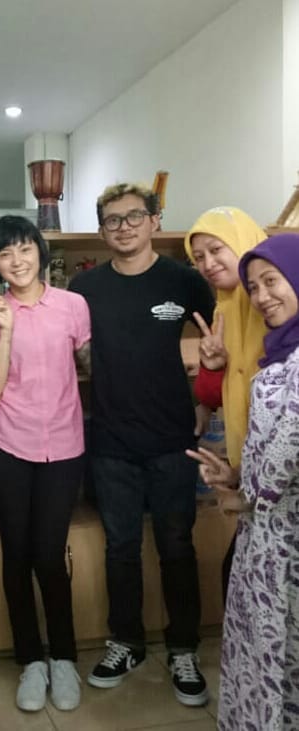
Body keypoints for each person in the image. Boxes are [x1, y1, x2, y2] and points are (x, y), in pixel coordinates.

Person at [69, 182, 214, 707]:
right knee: (120, 549)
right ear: (102, 230)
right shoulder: (85, 288)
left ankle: (183, 648)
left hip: (174, 439)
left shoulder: (185, 280)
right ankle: (125, 642)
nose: (124, 227)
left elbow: (221, 338)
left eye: (134, 216)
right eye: (113, 220)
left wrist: (207, 401)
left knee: (177, 546)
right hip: (111, 441)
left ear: (155, 221)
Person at [0, 215, 90, 713]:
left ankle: (63, 657)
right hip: (8, 445)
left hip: (63, 445)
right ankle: (30, 661)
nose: (17, 261)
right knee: (17, 555)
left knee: (49, 554)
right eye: (5, 254)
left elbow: (89, 365)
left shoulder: (73, 305)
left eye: (24, 249)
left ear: (41, 252)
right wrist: (5, 330)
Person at [188, 232, 299, 729]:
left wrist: (244, 497)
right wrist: (235, 474)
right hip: (267, 538)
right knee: (266, 651)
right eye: (254, 287)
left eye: (272, 281)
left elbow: (285, 452)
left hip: (284, 541)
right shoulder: (278, 351)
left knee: (281, 654)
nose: (262, 296)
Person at [184, 206, 267, 598]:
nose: (208, 264)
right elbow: (217, 395)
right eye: (199, 257)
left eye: (217, 250)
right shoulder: (222, 307)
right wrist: (212, 365)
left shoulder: (274, 303)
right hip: (248, 464)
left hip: (278, 465)